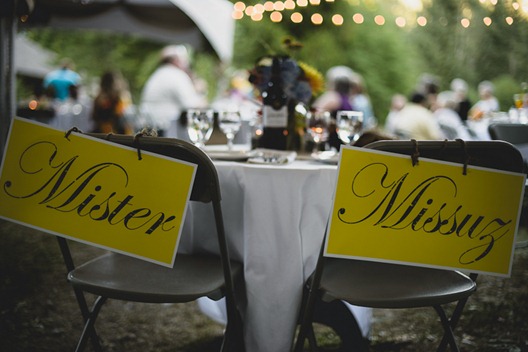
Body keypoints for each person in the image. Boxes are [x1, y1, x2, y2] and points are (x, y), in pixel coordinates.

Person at [139, 45, 207, 138]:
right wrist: (201, 92)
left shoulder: (157, 74)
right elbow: (193, 105)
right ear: (176, 61)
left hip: (148, 130)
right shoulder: (177, 75)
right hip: (165, 132)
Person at [91, 70, 133, 134]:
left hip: (105, 134)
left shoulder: (99, 99)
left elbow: (94, 117)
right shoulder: (118, 98)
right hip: (113, 135)